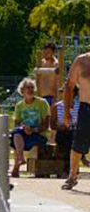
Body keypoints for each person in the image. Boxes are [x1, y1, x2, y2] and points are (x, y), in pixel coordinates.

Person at [10, 77, 51, 178]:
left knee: (16, 138)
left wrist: (33, 130)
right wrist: (24, 128)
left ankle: (16, 167)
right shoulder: (19, 105)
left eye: (32, 87)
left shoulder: (42, 103)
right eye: (28, 87)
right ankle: (20, 158)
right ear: (22, 91)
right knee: (16, 134)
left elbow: (46, 124)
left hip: (40, 134)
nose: (31, 90)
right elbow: (17, 124)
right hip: (24, 133)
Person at [61, 50, 90, 190]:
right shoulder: (81, 61)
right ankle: (72, 176)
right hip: (86, 107)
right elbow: (69, 86)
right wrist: (67, 111)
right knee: (78, 143)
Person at [35, 41, 61, 134]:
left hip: (52, 96)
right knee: (41, 120)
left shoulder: (56, 64)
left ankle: (53, 140)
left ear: (53, 52)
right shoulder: (40, 63)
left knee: (53, 121)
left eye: (48, 52)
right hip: (41, 95)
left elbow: (58, 82)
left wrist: (56, 97)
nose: (46, 54)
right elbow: (37, 79)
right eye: (44, 52)